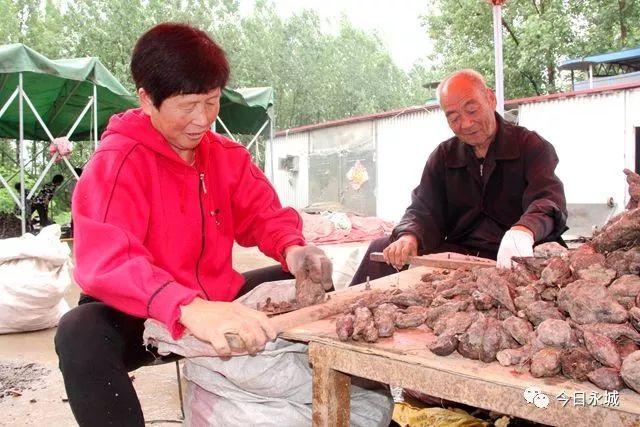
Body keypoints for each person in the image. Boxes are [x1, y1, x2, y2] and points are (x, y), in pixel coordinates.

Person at [55, 23, 332, 426]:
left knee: (313, 283)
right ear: (147, 100)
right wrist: (184, 305)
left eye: (212, 102)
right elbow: (108, 262)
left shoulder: (224, 155)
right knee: (78, 333)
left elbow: (263, 214)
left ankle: (313, 405)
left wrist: (293, 248)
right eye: (188, 106)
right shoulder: (117, 161)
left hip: (216, 299)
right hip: (142, 310)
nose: (202, 120)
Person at [351, 69, 567, 285]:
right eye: (454, 118)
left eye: (472, 110)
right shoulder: (444, 156)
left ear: (490, 99)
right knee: (382, 248)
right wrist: (409, 235)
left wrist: (524, 230)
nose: (465, 124)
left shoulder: (530, 146)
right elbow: (423, 209)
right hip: (461, 252)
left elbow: (547, 200)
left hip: (516, 252)